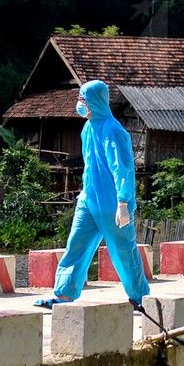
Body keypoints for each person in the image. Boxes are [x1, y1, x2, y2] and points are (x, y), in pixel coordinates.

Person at [35, 80, 150, 308]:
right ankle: (64, 293)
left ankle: (140, 297)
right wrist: (84, 193)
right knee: (76, 246)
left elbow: (122, 169)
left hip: (113, 204)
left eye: (83, 100)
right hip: (88, 202)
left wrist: (124, 202)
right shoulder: (87, 128)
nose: (80, 104)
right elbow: (91, 166)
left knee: (124, 251)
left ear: (95, 102)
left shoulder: (114, 131)